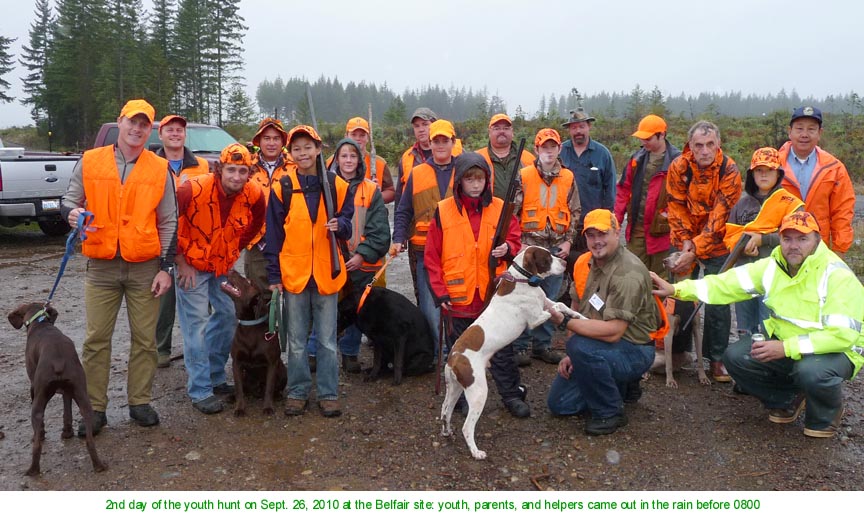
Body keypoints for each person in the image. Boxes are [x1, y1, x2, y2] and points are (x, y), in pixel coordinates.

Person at [652, 211, 864, 438]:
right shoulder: (773, 266)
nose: (793, 246)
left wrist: (785, 348)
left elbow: (842, 335)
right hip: (789, 345)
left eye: (802, 239)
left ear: (817, 240)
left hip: (836, 351)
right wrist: (677, 290)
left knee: (811, 371)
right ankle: (788, 398)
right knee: (736, 357)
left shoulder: (836, 275)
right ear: (779, 239)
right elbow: (725, 285)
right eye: (787, 238)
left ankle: (825, 415)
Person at [61, 99, 176, 436]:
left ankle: (139, 402)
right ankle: (94, 409)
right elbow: (69, 200)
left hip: (145, 267)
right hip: (101, 267)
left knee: (145, 340)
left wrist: (165, 268)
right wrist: (70, 214)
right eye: (132, 122)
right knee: (96, 340)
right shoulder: (91, 160)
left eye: (144, 124)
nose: (137, 129)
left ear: (149, 129)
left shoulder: (159, 168)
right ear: (120, 121)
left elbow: (169, 221)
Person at [424, 152, 529, 417]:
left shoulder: (501, 208)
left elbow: (515, 241)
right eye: (469, 178)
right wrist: (439, 292)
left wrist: (507, 248)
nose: (475, 184)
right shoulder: (443, 210)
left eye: (480, 178)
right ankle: (459, 397)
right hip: (458, 298)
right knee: (460, 351)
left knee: (502, 350)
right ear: (459, 180)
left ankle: (510, 394)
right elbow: (431, 256)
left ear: (487, 180)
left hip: (493, 297)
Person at [264, 125, 353, 418]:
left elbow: (348, 223)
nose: (302, 153)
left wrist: (340, 225)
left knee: (327, 340)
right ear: (290, 153)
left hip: (327, 273)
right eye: (297, 148)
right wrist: (274, 276)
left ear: (318, 149)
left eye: (308, 147)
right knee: (297, 340)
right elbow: (274, 236)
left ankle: (328, 393)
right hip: (294, 274)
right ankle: (298, 391)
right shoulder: (283, 187)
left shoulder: (337, 185)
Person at [546, 209, 661, 436]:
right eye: (591, 235)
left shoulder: (628, 273)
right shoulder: (588, 263)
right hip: (602, 343)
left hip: (634, 348)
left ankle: (610, 412)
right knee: (560, 404)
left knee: (580, 346)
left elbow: (613, 332)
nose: (597, 241)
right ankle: (618, 384)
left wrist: (564, 322)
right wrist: (573, 357)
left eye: (603, 234)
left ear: (617, 233)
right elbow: (582, 309)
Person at [174, 143, 265, 414]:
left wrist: (234, 249)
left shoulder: (254, 194)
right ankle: (200, 389)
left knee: (227, 316)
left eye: (242, 171)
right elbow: (165, 222)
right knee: (196, 325)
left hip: (221, 266)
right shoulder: (192, 189)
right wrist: (180, 263)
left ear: (249, 172)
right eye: (231, 170)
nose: (237, 176)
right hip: (190, 265)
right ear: (219, 169)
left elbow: (256, 224)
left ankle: (215, 376)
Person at [665, 120, 742, 382]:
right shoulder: (679, 166)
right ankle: (678, 350)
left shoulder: (729, 170)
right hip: (685, 238)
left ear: (718, 144)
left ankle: (715, 358)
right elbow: (675, 205)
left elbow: (720, 216)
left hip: (718, 241)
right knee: (680, 293)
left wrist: (695, 248)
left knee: (717, 299)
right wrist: (686, 241)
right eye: (699, 145)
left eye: (710, 144)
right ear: (691, 146)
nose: (705, 150)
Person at [308, 138, 391, 373]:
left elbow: (380, 232)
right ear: (335, 159)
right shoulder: (322, 186)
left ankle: (350, 353)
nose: (348, 160)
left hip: (359, 265)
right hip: (328, 262)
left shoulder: (371, 190)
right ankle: (314, 352)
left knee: (356, 310)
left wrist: (361, 255)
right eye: (343, 155)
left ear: (359, 160)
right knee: (324, 309)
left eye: (353, 156)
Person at [511, 128, 581, 367]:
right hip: (529, 249)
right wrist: (517, 242)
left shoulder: (569, 177)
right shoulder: (524, 175)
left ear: (559, 149)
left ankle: (542, 346)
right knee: (524, 298)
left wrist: (568, 241)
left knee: (549, 299)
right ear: (536, 150)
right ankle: (520, 347)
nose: (548, 151)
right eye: (544, 147)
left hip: (555, 249)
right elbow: (513, 212)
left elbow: (575, 212)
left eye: (553, 146)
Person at [391, 119, 460, 359]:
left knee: (457, 304)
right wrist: (398, 237)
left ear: (453, 142)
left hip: (457, 253)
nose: (440, 145)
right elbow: (403, 210)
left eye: (445, 140)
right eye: (436, 141)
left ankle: (456, 351)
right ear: (429, 143)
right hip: (424, 251)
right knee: (430, 308)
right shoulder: (417, 173)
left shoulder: (464, 171)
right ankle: (437, 353)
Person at [723, 147, 803, 336]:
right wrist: (741, 247)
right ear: (752, 174)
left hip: (776, 276)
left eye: (769, 170)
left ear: (779, 173)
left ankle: (771, 362)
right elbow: (729, 237)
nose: (764, 174)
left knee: (772, 328)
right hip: (745, 276)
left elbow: (798, 239)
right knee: (745, 329)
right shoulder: (741, 205)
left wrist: (763, 239)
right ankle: (744, 362)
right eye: (759, 170)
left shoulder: (791, 203)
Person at [154, 114, 210, 369]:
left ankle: (202, 348)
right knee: (163, 301)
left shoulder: (201, 166)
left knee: (199, 298)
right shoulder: (151, 164)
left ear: (185, 135)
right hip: (161, 238)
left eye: (179, 130)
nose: (175, 134)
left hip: (194, 241)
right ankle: (161, 348)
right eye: (170, 130)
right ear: (160, 134)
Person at [778, 106, 855, 255]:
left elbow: (842, 213)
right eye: (799, 129)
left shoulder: (834, 168)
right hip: (782, 245)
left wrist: (839, 250)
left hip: (818, 248)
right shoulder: (772, 165)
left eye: (811, 129)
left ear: (819, 133)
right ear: (790, 132)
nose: (804, 135)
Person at [614, 114, 682, 276]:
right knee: (634, 275)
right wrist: (615, 222)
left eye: (648, 138)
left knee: (661, 278)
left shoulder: (679, 161)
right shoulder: (636, 159)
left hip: (665, 232)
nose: (643, 142)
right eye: (641, 138)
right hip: (637, 229)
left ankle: (659, 303)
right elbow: (623, 190)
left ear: (662, 135)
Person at [245, 117, 294, 291]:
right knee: (260, 298)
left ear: (283, 141)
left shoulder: (295, 166)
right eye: (267, 138)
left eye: (276, 138)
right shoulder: (246, 167)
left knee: (292, 295)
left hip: (290, 242)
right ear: (259, 141)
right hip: (257, 243)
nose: (271, 143)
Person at [559, 108, 617, 253]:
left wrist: (605, 221)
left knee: (591, 265)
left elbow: (609, 190)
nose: (578, 131)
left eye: (582, 126)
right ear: (569, 130)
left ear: (589, 126)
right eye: (574, 127)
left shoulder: (602, 154)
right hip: (563, 224)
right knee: (562, 266)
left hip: (592, 225)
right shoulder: (560, 151)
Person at [474, 113, 534, 199]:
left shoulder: (528, 158)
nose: (502, 131)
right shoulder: (477, 158)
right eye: (497, 128)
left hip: (520, 211)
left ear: (512, 132)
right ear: (489, 133)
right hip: (487, 211)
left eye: (506, 128)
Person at [341, 117, 396, 204]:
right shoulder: (332, 162)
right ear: (346, 136)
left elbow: (391, 192)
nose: (358, 138)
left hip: (370, 214)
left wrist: (376, 195)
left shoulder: (380, 163)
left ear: (368, 137)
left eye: (362, 135)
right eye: (353, 134)